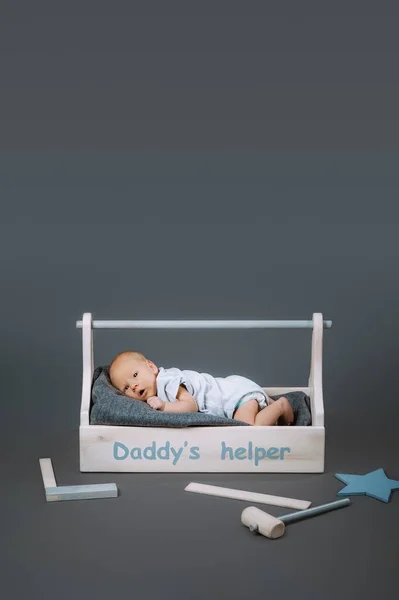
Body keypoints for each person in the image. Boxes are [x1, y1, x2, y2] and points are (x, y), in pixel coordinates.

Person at [108, 350, 307, 426]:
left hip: (233, 396)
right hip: (232, 392)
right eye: (125, 388)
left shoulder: (166, 382)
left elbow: (190, 406)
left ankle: (281, 405)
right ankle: (271, 407)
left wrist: (163, 407)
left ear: (151, 367)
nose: (133, 386)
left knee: (249, 431)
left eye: (135, 375)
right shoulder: (160, 385)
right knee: (251, 424)